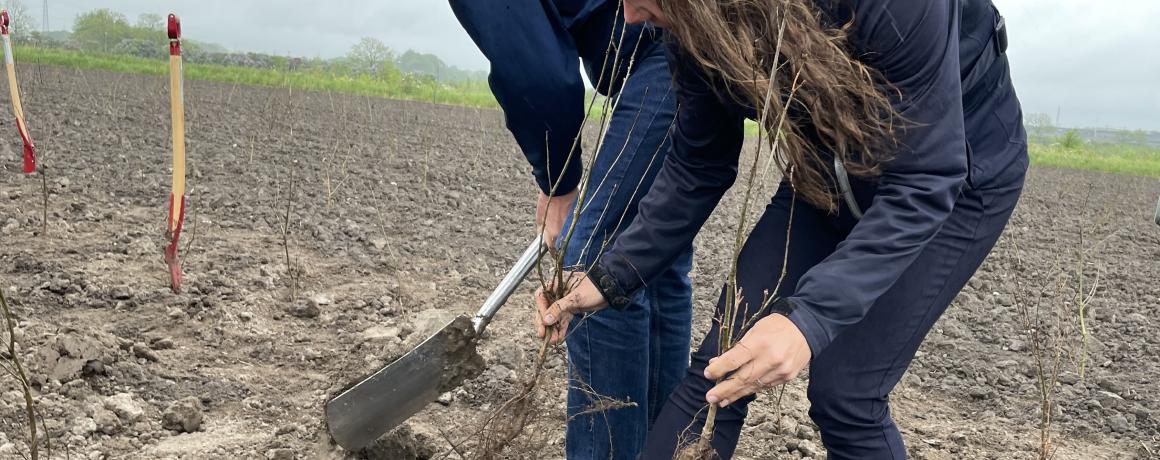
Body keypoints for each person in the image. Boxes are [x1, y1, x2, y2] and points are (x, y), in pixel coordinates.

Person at [535, 0, 1028, 458]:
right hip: (827, 170)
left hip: (956, 178)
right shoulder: (695, 21)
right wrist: (610, 276)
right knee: (719, 368)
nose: (630, 13)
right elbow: (698, 164)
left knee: (846, 392)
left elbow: (926, 178)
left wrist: (806, 319)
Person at [447, 1, 695, 458]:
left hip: (666, 51)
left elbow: (536, 74)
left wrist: (557, 181)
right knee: (652, 260)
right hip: (678, 45)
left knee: (595, 261)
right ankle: (663, 448)